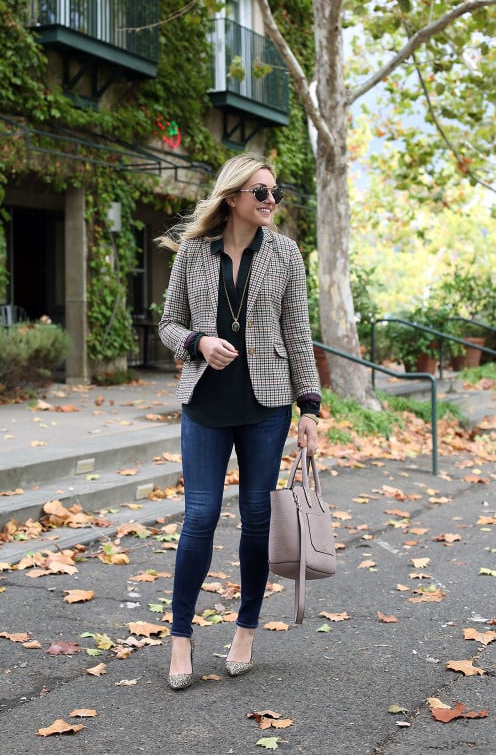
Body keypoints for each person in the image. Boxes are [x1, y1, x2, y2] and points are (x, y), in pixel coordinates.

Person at [157, 153, 321, 690]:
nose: (271, 201)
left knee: (256, 517)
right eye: (261, 193)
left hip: (265, 406)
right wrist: (197, 342)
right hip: (205, 402)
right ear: (233, 199)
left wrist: (310, 409)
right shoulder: (193, 254)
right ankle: (181, 638)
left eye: (275, 193)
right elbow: (168, 323)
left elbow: (298, 331)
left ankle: (245, 630)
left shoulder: (286, 254)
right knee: (199, 517)